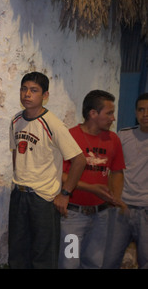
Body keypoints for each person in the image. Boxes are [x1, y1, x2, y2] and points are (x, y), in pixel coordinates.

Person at [8, 72, 86, 269]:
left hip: (43, 198)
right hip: (19, 194)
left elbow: (79, 160)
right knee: (17, 253)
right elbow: (16, 152)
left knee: (42, 257)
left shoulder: (52, 123)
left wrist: (65, 193)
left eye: (34, 90)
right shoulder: (16, 120)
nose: (27, 94)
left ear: (45, 96)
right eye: (24, 89)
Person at [58, 90, 125, 269]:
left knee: (94, 263)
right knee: (69, 264)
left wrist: (114, 197)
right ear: (93, 114)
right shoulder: (70, 136)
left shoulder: (113, 139)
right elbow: (61, 175)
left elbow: (117, 172)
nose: (113, 118)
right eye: (109, 113)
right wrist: (91, 188)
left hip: (101, 216)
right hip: (73, 215)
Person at [103, 92, 148, 269]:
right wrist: (113, 198)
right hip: (122, 209)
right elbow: (111, 169)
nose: (145, 114)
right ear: (136, 113)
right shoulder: (123, 136)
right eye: (141, 110)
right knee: (109, 261)